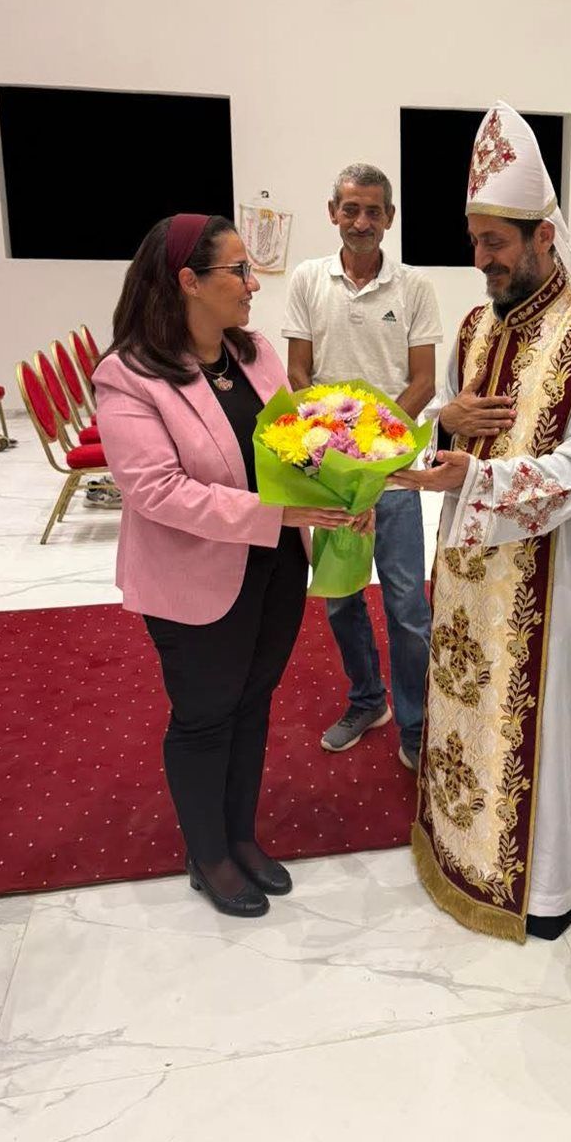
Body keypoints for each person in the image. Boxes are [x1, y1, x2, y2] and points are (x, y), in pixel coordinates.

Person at [395, 102, 571, 943]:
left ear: (544, 235)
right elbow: (448, 421)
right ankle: (458, 853)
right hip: (470, 578)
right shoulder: (475, 325)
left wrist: (476, 475)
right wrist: (443, 431)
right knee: (465, 716)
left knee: (551, 729)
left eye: (496, 243)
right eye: (475, 242)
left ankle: (553, 886)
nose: (482, 260)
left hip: (559, 584)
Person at [94, 214, 371, 918]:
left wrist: (349, 489)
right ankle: (208, 853)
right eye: (239, 271)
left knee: (252, 702)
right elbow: (156, 491)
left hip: (273, 569)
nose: (254, 284)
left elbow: (295, 445)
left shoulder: (253, 354)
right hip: (194, 578)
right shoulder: (130, 375)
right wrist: (278, 515)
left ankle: (240, 837)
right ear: (188, 281)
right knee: (205, 715)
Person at [283, 164, 442, 771]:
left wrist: (372, 453)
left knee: (408, 608)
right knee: (341, 600)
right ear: (333, 213)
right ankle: (367, 700)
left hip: (393, 476)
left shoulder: (414, 288)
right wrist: (335, 452)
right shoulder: (307, 279)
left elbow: (422, 381)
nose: (361, 221)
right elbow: (299, 372)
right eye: (350, 209)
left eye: (374, 210)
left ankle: (415, 723)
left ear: (389, 218)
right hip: (330, 476)